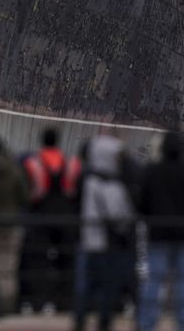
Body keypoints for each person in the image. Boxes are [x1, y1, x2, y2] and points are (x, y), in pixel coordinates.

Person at [137, 132, 184, 331]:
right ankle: (183, 323)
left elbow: (142, 203)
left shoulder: (151, 171)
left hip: (158, 235)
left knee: (153, 280)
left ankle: (146, 323)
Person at [73, 135, 135, 331]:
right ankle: (104, 321)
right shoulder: (110, 185)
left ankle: (80, 321)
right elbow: (120, 216)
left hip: (88, 241)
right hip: (109, 244)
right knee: (108, 286)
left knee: (86, 287)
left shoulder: (87, 181)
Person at [22, 128, 78, 312]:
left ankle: (38, 302)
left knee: (38, 260)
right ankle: (64, 302)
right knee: (66, 259)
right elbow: (72, 191)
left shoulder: (33, 162)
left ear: (42, 141)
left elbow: (31, 193)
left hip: (41, 217)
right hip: (65, 217)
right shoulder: (70, 162)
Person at [0, 136, 28, 315]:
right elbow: (24, 196)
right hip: (13, 222)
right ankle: (9, 303)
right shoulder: (14, 169)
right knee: (10, 265)